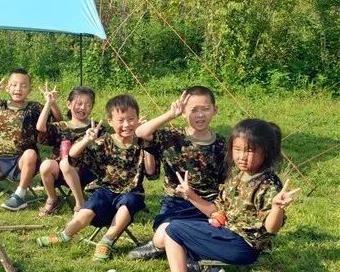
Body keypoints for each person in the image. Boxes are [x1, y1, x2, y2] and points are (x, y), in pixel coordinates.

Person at [150, 119, 299, 272]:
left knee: (175, 229)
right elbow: (216, 210)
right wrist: (191, 195)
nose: (242, 156)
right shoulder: (237, 175)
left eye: (250, 151)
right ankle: (198, 269)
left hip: (243, 247)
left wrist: (277, 207)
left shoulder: (268, 185)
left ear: (266, 152)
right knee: (171, 229)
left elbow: (271, 228)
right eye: (237, 149)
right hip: (227, 234)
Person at [36, 95, 156, 260]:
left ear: (137, 119)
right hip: (105, 188)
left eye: (131, 119)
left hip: (132, 191)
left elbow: (151, 172)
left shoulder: (142, 142)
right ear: (110, 121)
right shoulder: (105, 141)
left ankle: (107, 240)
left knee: (128, 202)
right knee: (91, 206)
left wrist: (146, 142)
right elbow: (72, 156)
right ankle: (65, 235)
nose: (126, 125)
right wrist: (86, 140)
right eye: (121, 120)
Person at [129, 87, 227, 261]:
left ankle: (185, 253)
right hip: (176, 203)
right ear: (183, 112)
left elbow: (227, 179)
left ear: (215, 110)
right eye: (193, 110)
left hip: (206, 204)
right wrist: (170, 114)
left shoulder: (222, 144)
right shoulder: (172, 137)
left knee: (212, 230)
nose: (200, 115)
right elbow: (140, 132)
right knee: (163, 234)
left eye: (205, 109)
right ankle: (161, 245)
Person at [0, 69, 56, 210]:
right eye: (14, 85)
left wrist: (51, 103)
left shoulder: (34, 108)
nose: (18, 89)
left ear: (29, 90)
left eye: (23, 86)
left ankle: (20, 195)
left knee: (30, 153)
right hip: (1, 159)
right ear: (7, 88)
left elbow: (58, 119)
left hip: (24, 160)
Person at [35, 86, 97, 216]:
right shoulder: (62, 126)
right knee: (46, 165)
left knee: (66, 163)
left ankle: (80, 204)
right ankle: (52, 199)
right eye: (79, 103)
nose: (83, 108)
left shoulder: (95, 127)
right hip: (61, 171)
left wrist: (94, 139)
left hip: (87, 171)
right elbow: (40, 127)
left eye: (88, 105)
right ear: (69, 104)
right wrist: (49, 103)